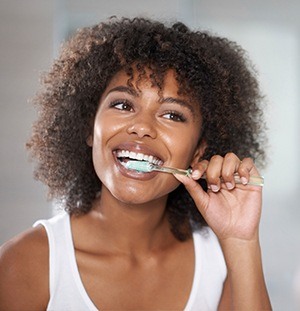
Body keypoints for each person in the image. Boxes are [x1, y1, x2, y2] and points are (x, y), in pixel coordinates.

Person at [0, 17, 272, 310]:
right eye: (123, 105)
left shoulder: (220, 259)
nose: (142, 127)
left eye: (172, 115)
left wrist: (241, 243)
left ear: (197, 153)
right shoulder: (25, 263)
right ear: (90, 128)